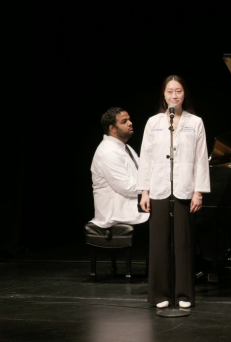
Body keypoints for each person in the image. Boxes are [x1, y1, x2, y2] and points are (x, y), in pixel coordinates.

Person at [137, 75, 210, 309]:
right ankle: (160, 294)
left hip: (185, 189)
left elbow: (201, 159)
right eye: (170, 92)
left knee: (184, 244)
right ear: (163, 95)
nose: (174, 96)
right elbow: (145, 159)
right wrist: (144, 191)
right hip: (159, 188)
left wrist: (198, 191)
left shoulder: (195, 122)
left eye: (178, 91)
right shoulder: (154, 122)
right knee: (159, 244)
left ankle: (184, 294)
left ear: (184, 94)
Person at [90, 107, 149, 228]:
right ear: (112, 128)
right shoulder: (108, 151)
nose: (130, 123)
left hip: (132, 207)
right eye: (124, 121)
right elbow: (127, 187)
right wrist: (155, 188)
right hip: (116, 215)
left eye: (129, 120)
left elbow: (143, 174)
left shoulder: (125, 148)